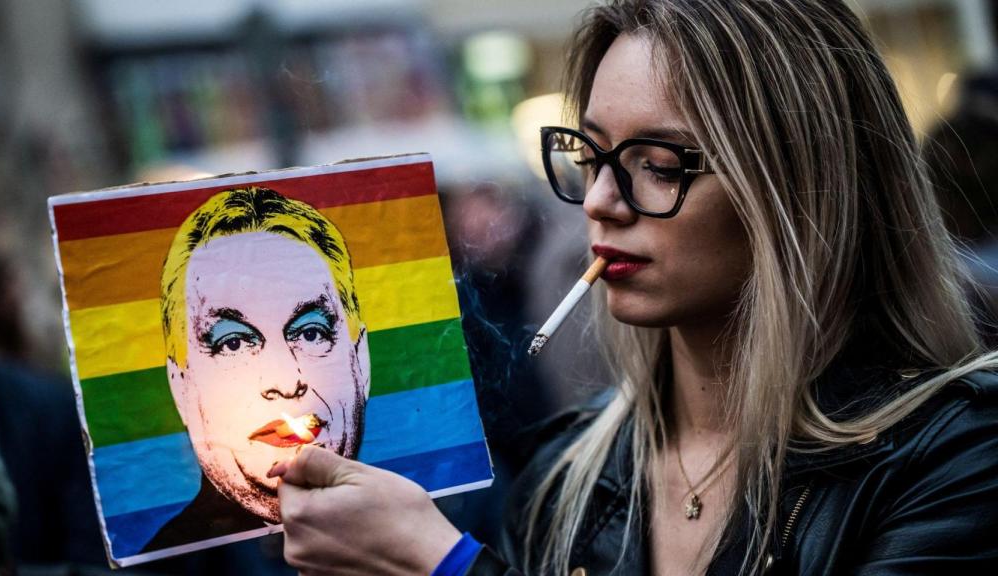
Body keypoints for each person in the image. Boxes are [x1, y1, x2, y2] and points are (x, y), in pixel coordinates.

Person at [270, 1, 998, 574]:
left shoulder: (955, 459)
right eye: (590, 154)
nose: (599, 200)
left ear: (800, 188)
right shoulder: (569, 479)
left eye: (659, 164)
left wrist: (448, 566)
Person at [148, 186, 370, 550]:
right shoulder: (170, 564)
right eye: (233, 343)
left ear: (360, 361)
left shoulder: (436, 519)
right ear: (181, 388)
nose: (286, 382)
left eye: (311, 333)